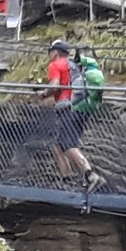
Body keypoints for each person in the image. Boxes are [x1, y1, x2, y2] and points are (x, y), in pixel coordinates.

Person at [42, 38, 99, 185]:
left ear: (55, 52)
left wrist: (42, 94)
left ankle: (91, 175)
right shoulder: (74, 65)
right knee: (58, 145)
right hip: (82, 108)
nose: (49, 55)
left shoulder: (55, 65)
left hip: (69, 109)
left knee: (67, 145)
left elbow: (54, 87)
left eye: (50, 52)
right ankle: (68, 178)